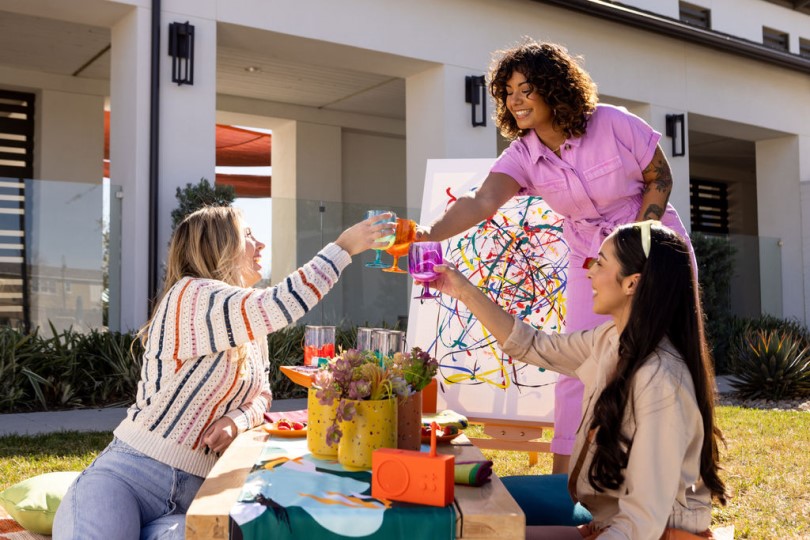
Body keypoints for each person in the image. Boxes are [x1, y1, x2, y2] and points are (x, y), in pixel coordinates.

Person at [416, 39, 693, 473]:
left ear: (555, 87)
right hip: (591, 261)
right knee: (575, 366)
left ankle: (668, 476)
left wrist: (641, 243)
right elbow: (482, 201)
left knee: (661, 357)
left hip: (653, 246)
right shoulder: (523, 154)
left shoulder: (613, 123)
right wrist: (426, 233)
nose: (516, 99)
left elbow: (660, 176)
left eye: (527, 88)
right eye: (508, 92)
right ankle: (563, 485)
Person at [53, 206, 395, 540]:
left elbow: (262, 396)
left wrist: (238, 421)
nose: (260, 244)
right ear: (219, 247)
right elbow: (280, 303)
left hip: (197, 497)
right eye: (248, 235)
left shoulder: (244, 323)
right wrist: (345, 247)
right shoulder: (189, 296)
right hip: (128, 478)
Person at [430, 221, 727, 539]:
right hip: (606, 521)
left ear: (632, 284)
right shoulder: (611, 340)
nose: (589, 273)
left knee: (477, 533)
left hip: (650, 534)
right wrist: (462, 290)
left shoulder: (661, 380)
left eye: (600, 263)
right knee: (474, 509)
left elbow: (642, 523)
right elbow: (532, 345)